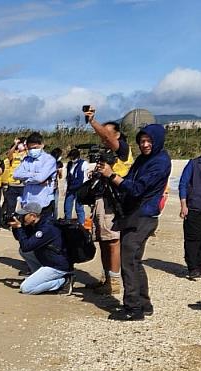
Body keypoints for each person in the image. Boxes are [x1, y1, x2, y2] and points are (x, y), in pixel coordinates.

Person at [96, 124, 171, 320]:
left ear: (157, 141)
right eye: (142, 141)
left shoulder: (161, 161)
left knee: (128, 260)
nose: (145, 144)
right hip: (136, 214)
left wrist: (112, 175)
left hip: (144, 216)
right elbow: (128, 181)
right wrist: (110, 178)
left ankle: (133, 308)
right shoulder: (143, 159)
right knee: (135, 261)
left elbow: (137, 189)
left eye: (149, 141)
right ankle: (143, 304)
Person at [84, 107, 134, 295]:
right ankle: (107, 277)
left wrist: (92, 122)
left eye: (107, 133)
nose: (103, 137)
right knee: (103, 240)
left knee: (112, 240)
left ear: (118, 135)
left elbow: (108, 138)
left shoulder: (122, 149)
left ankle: (114, 282)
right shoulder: (107, 154)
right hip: (102, 198)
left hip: (114, 200)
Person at [13, 132, 57, 273]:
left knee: (42, 236)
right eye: (30, 147)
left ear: (42, 145)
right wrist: (34, 177)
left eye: (36, 147)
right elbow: (16, 174)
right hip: (28, 204)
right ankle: (32, 265)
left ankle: (46, 265)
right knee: (28, 235)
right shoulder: (26, 160)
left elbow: (41, 178)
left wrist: (27, 179)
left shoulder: (49, 160)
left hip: (43, 204)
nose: (33, 150)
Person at [9, 201, 70, 294]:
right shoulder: (36, 224)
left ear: (33, 216)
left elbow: (26, 246)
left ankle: (64, 282)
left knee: (26, 288)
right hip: (49, 260)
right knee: (23, 251)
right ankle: (38, 275)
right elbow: (22, 242)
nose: (21, 218)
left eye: (24, 215)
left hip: (57, 266)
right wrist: (16, 228)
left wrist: (19, 227)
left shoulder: (46, 228)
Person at [178, 136, 201, 279]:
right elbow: (183, 184)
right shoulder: (194, 163)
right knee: (192, 239)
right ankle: (192, 268)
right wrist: (183, 205)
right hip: (194, 207)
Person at [1, 137, 27, 226]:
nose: (21, 145)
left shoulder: (28, 154)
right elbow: (8, 155)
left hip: (24, 184)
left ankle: (24, 222)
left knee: (25, 205)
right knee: (10, 205)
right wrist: (15, 144)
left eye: (22, 144)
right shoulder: (14, 154)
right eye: (20, 144)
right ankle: (9, 223)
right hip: (12, 183)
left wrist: (26, 147)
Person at [64, 148, 90, 224]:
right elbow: (67, 177)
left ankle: (81, 223)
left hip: (80, 188)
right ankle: (67, 222)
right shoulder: (69, 164)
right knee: (67, 206)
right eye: (71, 157)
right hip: (70, 188)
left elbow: (85, 177)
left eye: (73, 157)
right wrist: (66, 187)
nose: (72, 159)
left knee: (79, 207)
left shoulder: (84, 163)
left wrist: (84, 189)